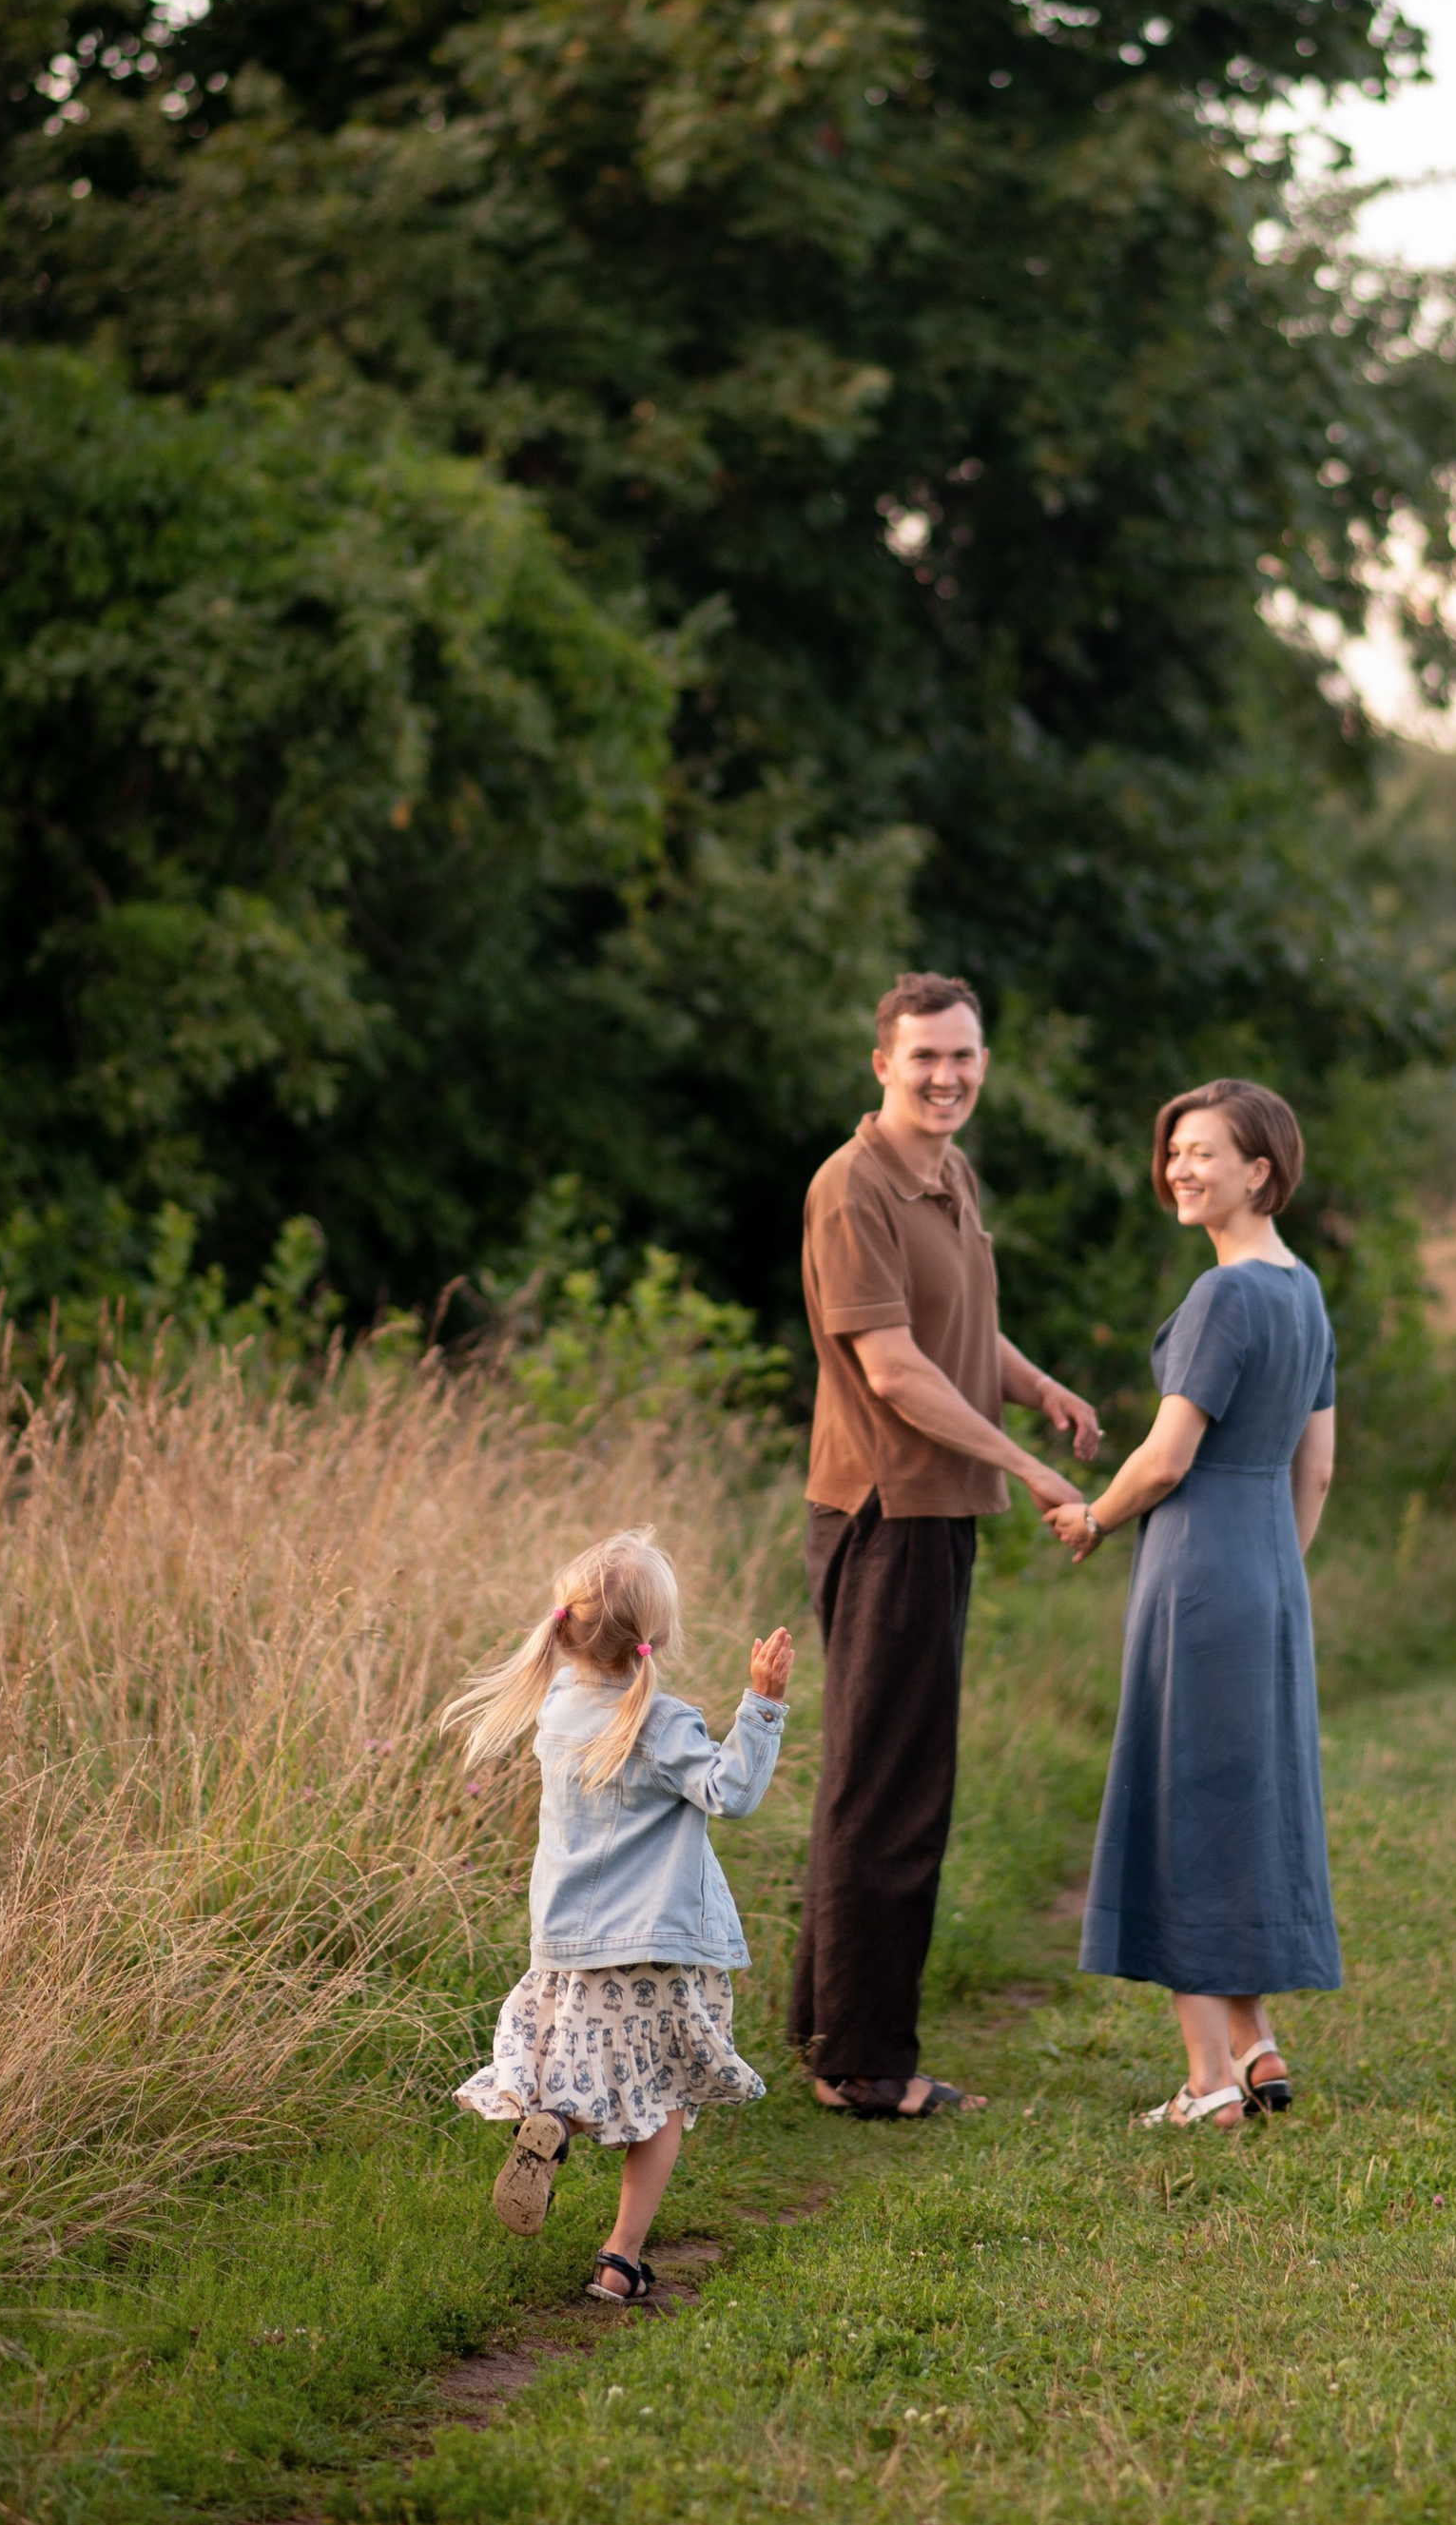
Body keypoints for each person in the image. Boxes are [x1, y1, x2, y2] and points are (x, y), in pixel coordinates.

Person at [793, 970, 1100, 2118]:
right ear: (882, 1062)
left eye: (963, 1055)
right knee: (892, 1789)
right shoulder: (851, 1187)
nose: (946, 1075)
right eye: (924, 1056)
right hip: (887, 1514)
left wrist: (1037, 1389)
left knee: (878, 1773)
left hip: (941, 1510)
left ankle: (831, 2031)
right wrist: (1028, 1467)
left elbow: (961, 1328)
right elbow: (894, 1367)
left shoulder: (948, 1171)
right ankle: (868, 2065)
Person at [1045, 1078, 1342, 2129]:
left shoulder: (1224, 1295)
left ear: (1259, 1169)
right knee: (1244, 1797)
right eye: (1172, 1150)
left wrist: (1092, 1518)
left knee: (1186, 1807)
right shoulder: (1302, 1288)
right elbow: (1317, 1466)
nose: (1178, 1167)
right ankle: (1256, 2041)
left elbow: (1167, 1456)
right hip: (1266, 1569)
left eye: (1202, 1151)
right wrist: (1273, 1569)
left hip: (1198, 1567)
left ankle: (1206, 2078)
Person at [443, 1529, 794, 2302]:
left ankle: (553, 2131)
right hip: (658, 1950)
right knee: (661, 2094)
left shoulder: (559, 1711)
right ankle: (619, 2259)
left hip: (571, 1943)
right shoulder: (662, 1722)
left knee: (578, 2070)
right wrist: (762, 1706)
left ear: (565, 1623)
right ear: (656, 1635)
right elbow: (731, 1794)